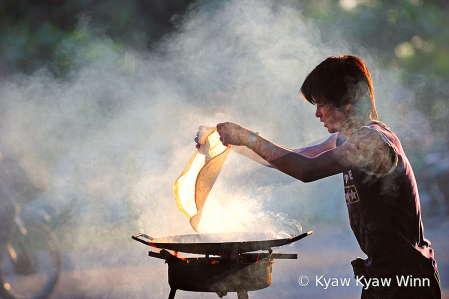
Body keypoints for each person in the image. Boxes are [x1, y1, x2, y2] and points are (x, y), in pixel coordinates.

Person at [213, 55, 440, 298]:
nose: (317, 113)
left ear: (348, 102)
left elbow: (306, 169)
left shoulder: (371, 140)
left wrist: (249, 138)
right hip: (381, 276)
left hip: (408, 279)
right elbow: (293, 158)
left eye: (322, 104)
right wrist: (233, 145)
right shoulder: (344, 139)